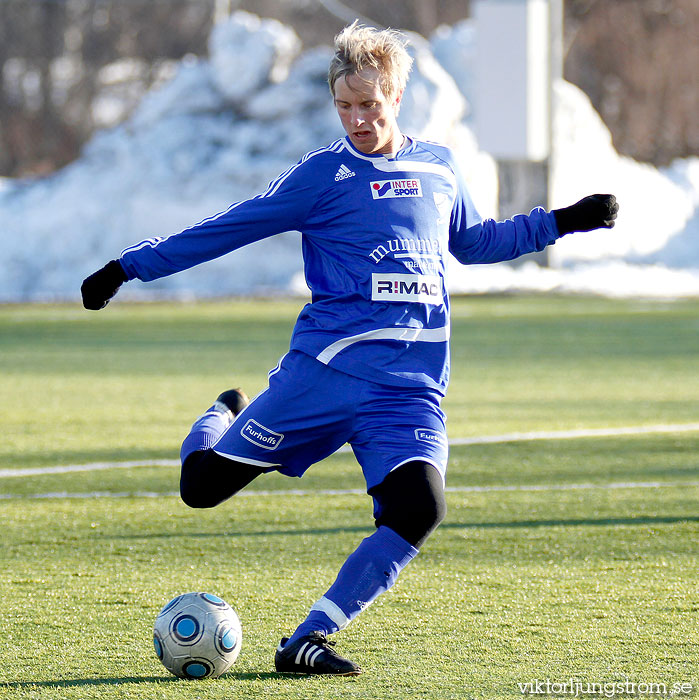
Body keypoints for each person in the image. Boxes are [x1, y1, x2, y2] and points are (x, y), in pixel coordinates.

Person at [81, 22, 618, 676]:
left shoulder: (437, 167)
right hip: (325, 377)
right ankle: (222, 415)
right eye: (344, 106)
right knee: (202, 489)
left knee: (419, 507)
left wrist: (562, 221)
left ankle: (305, 640)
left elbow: (476, 243)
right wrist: (126, 268)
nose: (357, 119)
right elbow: (228, 228)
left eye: (368, 104)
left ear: (394, 96)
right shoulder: (322, 175)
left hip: (409, 390)